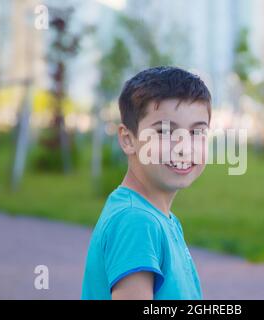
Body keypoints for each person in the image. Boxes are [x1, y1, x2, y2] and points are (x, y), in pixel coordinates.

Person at [81, 66, 212, 300]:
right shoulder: (136, 221)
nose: (184, 147)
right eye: (163, 132)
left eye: (197, 133)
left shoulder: (158, 217)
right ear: (128, 140)